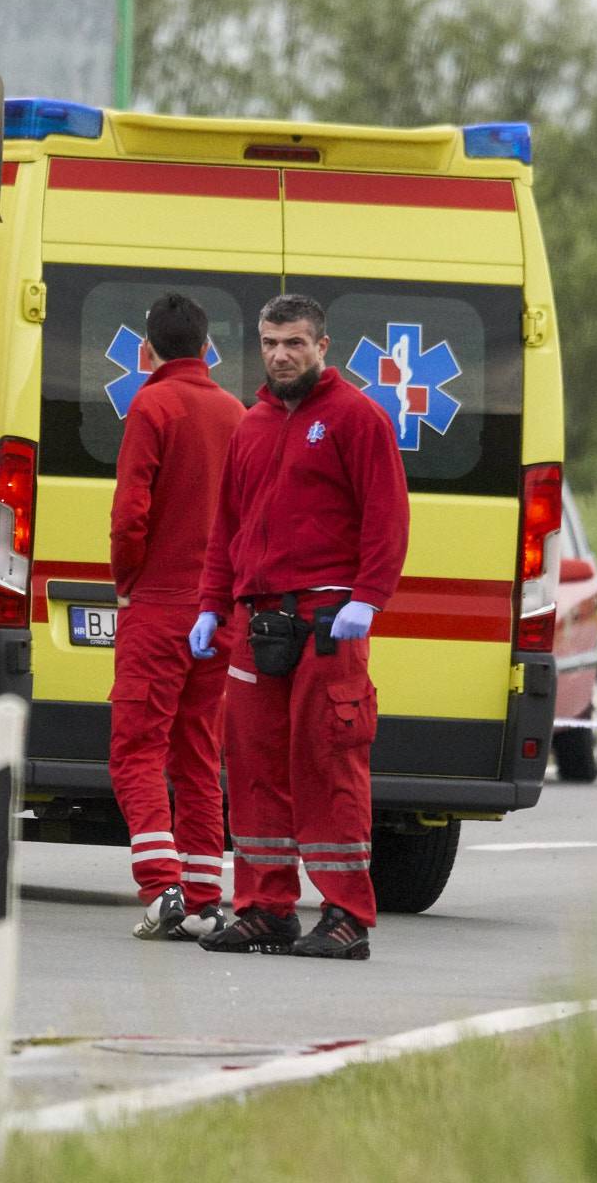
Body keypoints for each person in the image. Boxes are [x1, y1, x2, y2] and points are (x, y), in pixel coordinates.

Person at [191, 294, 408, 961]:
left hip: (326, 623)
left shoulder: (356, 419)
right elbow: (225, 526)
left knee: (328, 764)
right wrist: (210, 604)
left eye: (295, 343)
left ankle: (347, 914)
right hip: (258, 624)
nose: (282, 355)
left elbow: (387, 516)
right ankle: (265, 906)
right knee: (252, 766)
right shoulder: (251, 426)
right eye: (271, 343)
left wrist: (368, 598)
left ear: (323, 348)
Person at [107, 292, 245, 942]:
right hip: (214, 614)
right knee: (197, 753)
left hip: (157, 607)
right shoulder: (234, 412)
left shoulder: (152, 404)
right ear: (208, 349)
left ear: (146, 349)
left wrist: (126, 580)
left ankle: (161, 886)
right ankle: (204, 897)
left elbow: (131, 512)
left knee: (137, 748)